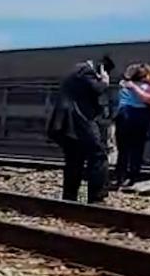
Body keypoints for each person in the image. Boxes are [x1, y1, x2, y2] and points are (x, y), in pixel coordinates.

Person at [47, 55, 115, 203]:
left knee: (74, 159)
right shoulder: (85, 71)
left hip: (67, 122)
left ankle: (69, 198)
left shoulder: (76, 71)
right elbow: (97, 89)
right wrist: (104, 81)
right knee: (98, 155)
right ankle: (97, 198)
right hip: (78, 120)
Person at [113, 63, 150, 187]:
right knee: (137, 149)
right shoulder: (147, 87)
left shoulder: (123, 86)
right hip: (140, 115)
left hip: (124, 115)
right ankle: (133, 177)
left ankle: (120, 176)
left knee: (123, 149)